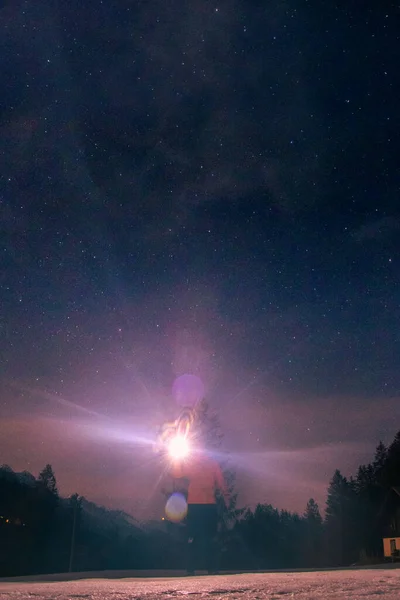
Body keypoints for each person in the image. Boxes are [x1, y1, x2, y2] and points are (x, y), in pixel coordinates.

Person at [171, 449, 229, 575]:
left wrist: (226, 497)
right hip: (195, 506)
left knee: (210, 537)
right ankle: (191, 568)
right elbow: (177, 474)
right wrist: (176, 458)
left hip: (208, 505)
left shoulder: (212, 464)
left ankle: (211, 568)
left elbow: (221, 482)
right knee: (193, 537)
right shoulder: (193, 464)